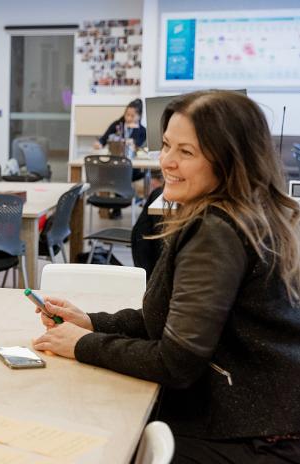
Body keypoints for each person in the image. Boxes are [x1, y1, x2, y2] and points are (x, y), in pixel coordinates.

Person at [33, 90, 300, 462]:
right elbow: (172, 322)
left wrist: (80, 345)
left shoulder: (216, 230)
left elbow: (175, 362)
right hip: (261, 416)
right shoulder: (242, 213)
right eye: (166, 146)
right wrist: (92, 322)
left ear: (229, 161)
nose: (166, 162)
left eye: (186, 152)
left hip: (247, 435)